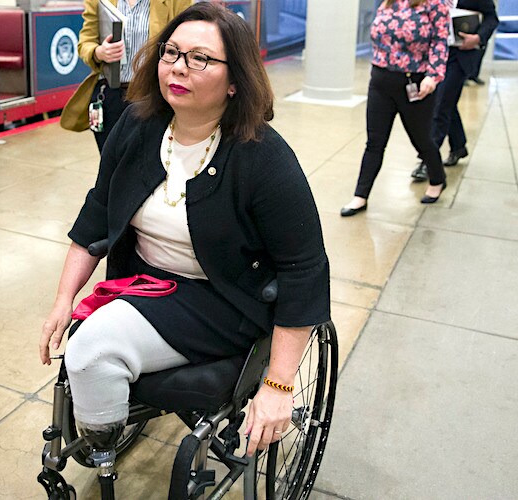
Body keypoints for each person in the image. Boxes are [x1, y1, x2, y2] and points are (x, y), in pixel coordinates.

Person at [40, 2, 330, 461]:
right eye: (171, 52)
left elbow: (304, 268)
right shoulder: (137, 126)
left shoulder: (263, 158)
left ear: (235, 80)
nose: (178, 67)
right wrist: (63, 298)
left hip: (225, 299)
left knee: (91, 353)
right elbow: (98, 210)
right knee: (87, 347)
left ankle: (101, 452)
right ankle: (103, 435)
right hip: (145, 283)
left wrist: (277, 384)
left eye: (200, 59)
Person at [341, 0, 450, 217]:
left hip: (416, 84)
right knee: (374, 142)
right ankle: (360, 195)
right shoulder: (388, 2)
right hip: (380, 81)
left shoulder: (436, 3)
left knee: (421, 139)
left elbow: (440, 41)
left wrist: (433, 75)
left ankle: (438, 179)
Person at [60, 0, 192, 153]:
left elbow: (186, 42)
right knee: (110, 162)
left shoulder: (175, 2)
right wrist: (99, 52)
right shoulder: (99, 1)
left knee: (149, 160)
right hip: (111, 95)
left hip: (152, 95)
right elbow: (85, 43)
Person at [411, 0, 498, 180]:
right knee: (445, 102)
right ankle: (458, 146)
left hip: (460, 55)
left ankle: (428, 161)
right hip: (434, 54)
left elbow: (492, 18)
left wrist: (478, 37)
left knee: (440, 104)